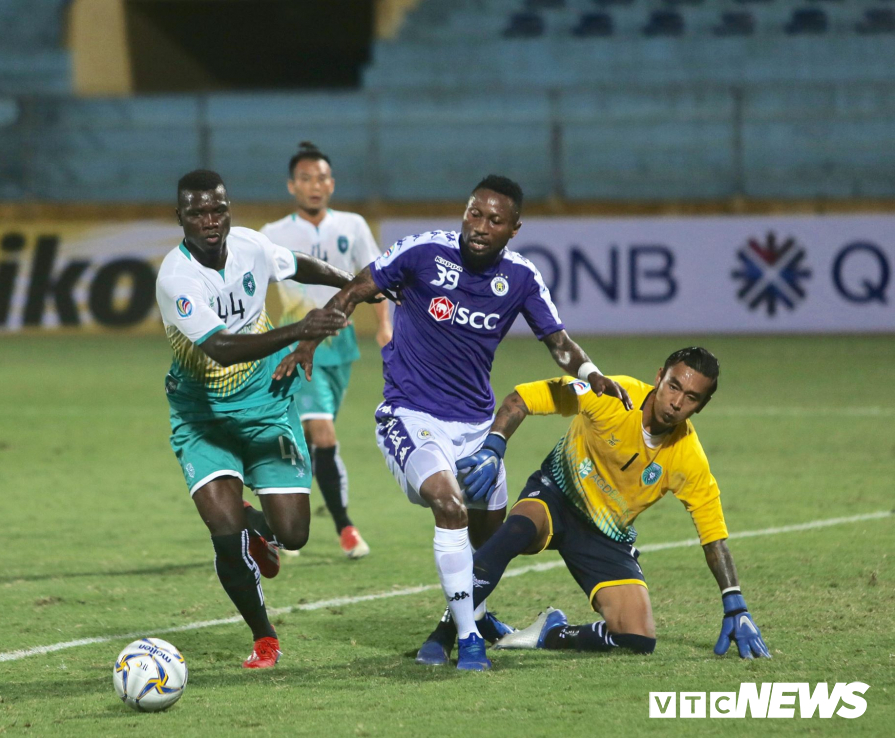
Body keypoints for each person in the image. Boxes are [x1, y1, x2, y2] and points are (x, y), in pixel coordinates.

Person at [274, 175, 630, 670]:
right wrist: (309, 339)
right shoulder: (424, 253)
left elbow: (558, 342)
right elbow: (358, 289)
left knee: (490, 537)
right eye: (474, 214)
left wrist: (592, 375)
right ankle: (469, 640)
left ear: (514, 229)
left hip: (475, 428)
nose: (481, 226)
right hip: (410, 414)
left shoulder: (522, 278)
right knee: (449, 504)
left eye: (495, 220)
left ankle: (469, 619)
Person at [435, 347, 771, 660]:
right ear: (659, 377)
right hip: (556, 495)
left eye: (691, 397)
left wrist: (735, 603)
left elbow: (713, 535)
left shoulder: (688, 457)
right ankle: (445, 632)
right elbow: (524, 397)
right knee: (518, 530)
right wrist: (495, 445)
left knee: (638, 638)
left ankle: (550, 632)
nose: (676, 402)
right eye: (673, 386)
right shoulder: (612, 396)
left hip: (606, 534)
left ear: (702, 405)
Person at [155, 169, 357, 669]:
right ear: (179, 217)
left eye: (217, 209)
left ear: (229, 210)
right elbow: (221, 348)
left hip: (267, 403)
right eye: (197, 212)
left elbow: (298, 266)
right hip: (204, 418)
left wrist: (353, 284)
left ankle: (260, 528)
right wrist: (300, 329)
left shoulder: (250, 246)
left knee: (294, 535)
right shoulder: (176, 278)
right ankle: (264, 636)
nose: (210, 220)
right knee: (223, 533)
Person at [261, 142, 392, 560]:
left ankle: (280, 527)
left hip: (343, 346)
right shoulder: (272, 235)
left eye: (320, 178)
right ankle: (346, 528)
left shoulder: (352, 226)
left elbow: (374, 278)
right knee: (322, 432)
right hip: (298, 344)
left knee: (307, 440)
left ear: (331, 184)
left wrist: (385, 325)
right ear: (291, 185)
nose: (314, 186)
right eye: (305, 179)